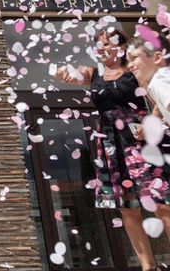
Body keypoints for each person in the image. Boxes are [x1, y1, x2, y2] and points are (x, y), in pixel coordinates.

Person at [54, 28, 170, 271]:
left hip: (141, 139)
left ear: (122, 45)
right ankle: (148, 267)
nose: (102, 48)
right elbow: (73, 75)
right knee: (127, 207)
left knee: (161, 203)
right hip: (110, 143)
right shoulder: (94, 73)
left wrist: (155, 121)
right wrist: (62, 73)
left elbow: (157, 100)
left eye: (108, 43)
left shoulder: (134, 71)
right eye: (99, 44)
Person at [127, 34, 170, 125]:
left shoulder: (159, 81)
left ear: (157, 58)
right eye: (128, 61)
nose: (129, 65)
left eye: (134, 58)